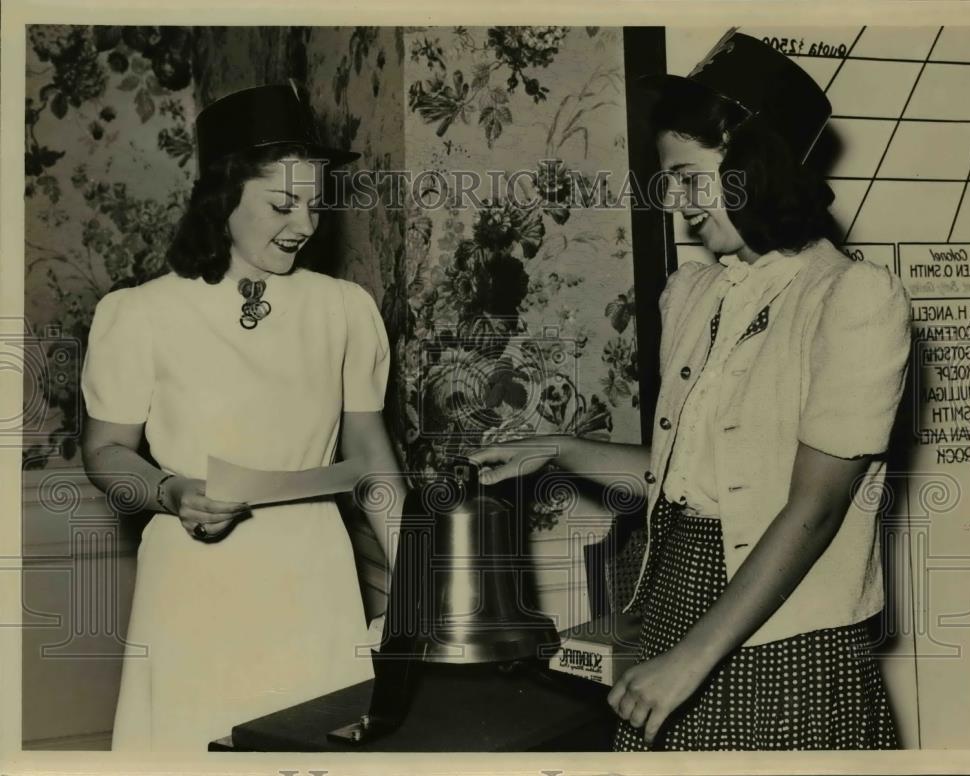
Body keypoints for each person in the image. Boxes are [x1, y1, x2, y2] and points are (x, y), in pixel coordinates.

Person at [469, 31, 911, 751]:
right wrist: (556, 448)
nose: (674, 200)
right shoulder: (695, 293)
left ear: (750, 166)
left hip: (781, 634)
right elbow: (689, 481)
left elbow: (815, 508)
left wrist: (690, 661)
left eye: (686, 175)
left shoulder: (853, 298)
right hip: (674, 599)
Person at [81, 84, 405, 751]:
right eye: (283, 203)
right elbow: (106, 453)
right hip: (196, 574)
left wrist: (414, 577)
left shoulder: (343, 309)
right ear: (222, 195)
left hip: (315, 573)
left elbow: (371, 455)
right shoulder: (142, 314)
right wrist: (171, 493)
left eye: (315, 204)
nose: (305, 224)